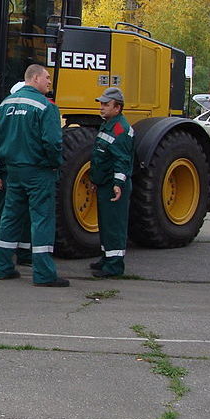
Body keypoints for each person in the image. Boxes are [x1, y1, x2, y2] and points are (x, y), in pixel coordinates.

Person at [0, 64, 68, 287]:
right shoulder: (46, 107)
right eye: (46, 77)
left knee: (10, 218)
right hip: (38, 171)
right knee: (42, 219)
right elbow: (53, 142)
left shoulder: (6, 104)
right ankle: (44, 274)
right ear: (35, 78)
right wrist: (56, 164)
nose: (49, 82)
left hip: (13, 170)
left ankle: (3, 267)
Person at [0, 82, 32, 270]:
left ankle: (24, 253)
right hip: (5, 175)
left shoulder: (10, 115)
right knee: (0, 214)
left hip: (18, 174)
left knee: (23, 214)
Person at [89, 87, 134, 278]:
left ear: (118, 107)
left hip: (112, 186)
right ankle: (107, 258)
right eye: (101, 104)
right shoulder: (108, 124)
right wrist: (95, 180)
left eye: (106, 104)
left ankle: (114, 265)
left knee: (114, 225)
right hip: (104, 184)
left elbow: (122, 160)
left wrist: (118, 184)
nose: (102, 107)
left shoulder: (120, 130)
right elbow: (101, 156)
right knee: (106, 224)